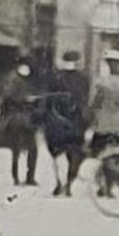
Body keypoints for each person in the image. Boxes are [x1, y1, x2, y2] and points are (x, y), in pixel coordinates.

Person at [40, 50, 88, 195]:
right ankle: (69, 184)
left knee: (56, 154)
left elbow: (47, 101)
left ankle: (59, 183)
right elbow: (85, 101)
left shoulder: (55, 77)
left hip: (56, 122)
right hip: (76, 122)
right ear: (78, 61)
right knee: (75, 154)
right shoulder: (83, 79)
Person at [85, 50, 119, 158]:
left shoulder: (100, 83)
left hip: (102, 124)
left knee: (96, 154)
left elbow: (93, 103)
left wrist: (92, 118)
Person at [0, 58, 38, 185]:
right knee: (22, 149)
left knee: (22, 150)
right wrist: (25, 99)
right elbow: (10, 98)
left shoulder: (22, 81)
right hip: (19, 119)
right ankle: (22, 177)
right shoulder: (14, 80)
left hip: (22, 119)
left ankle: (24, 177)